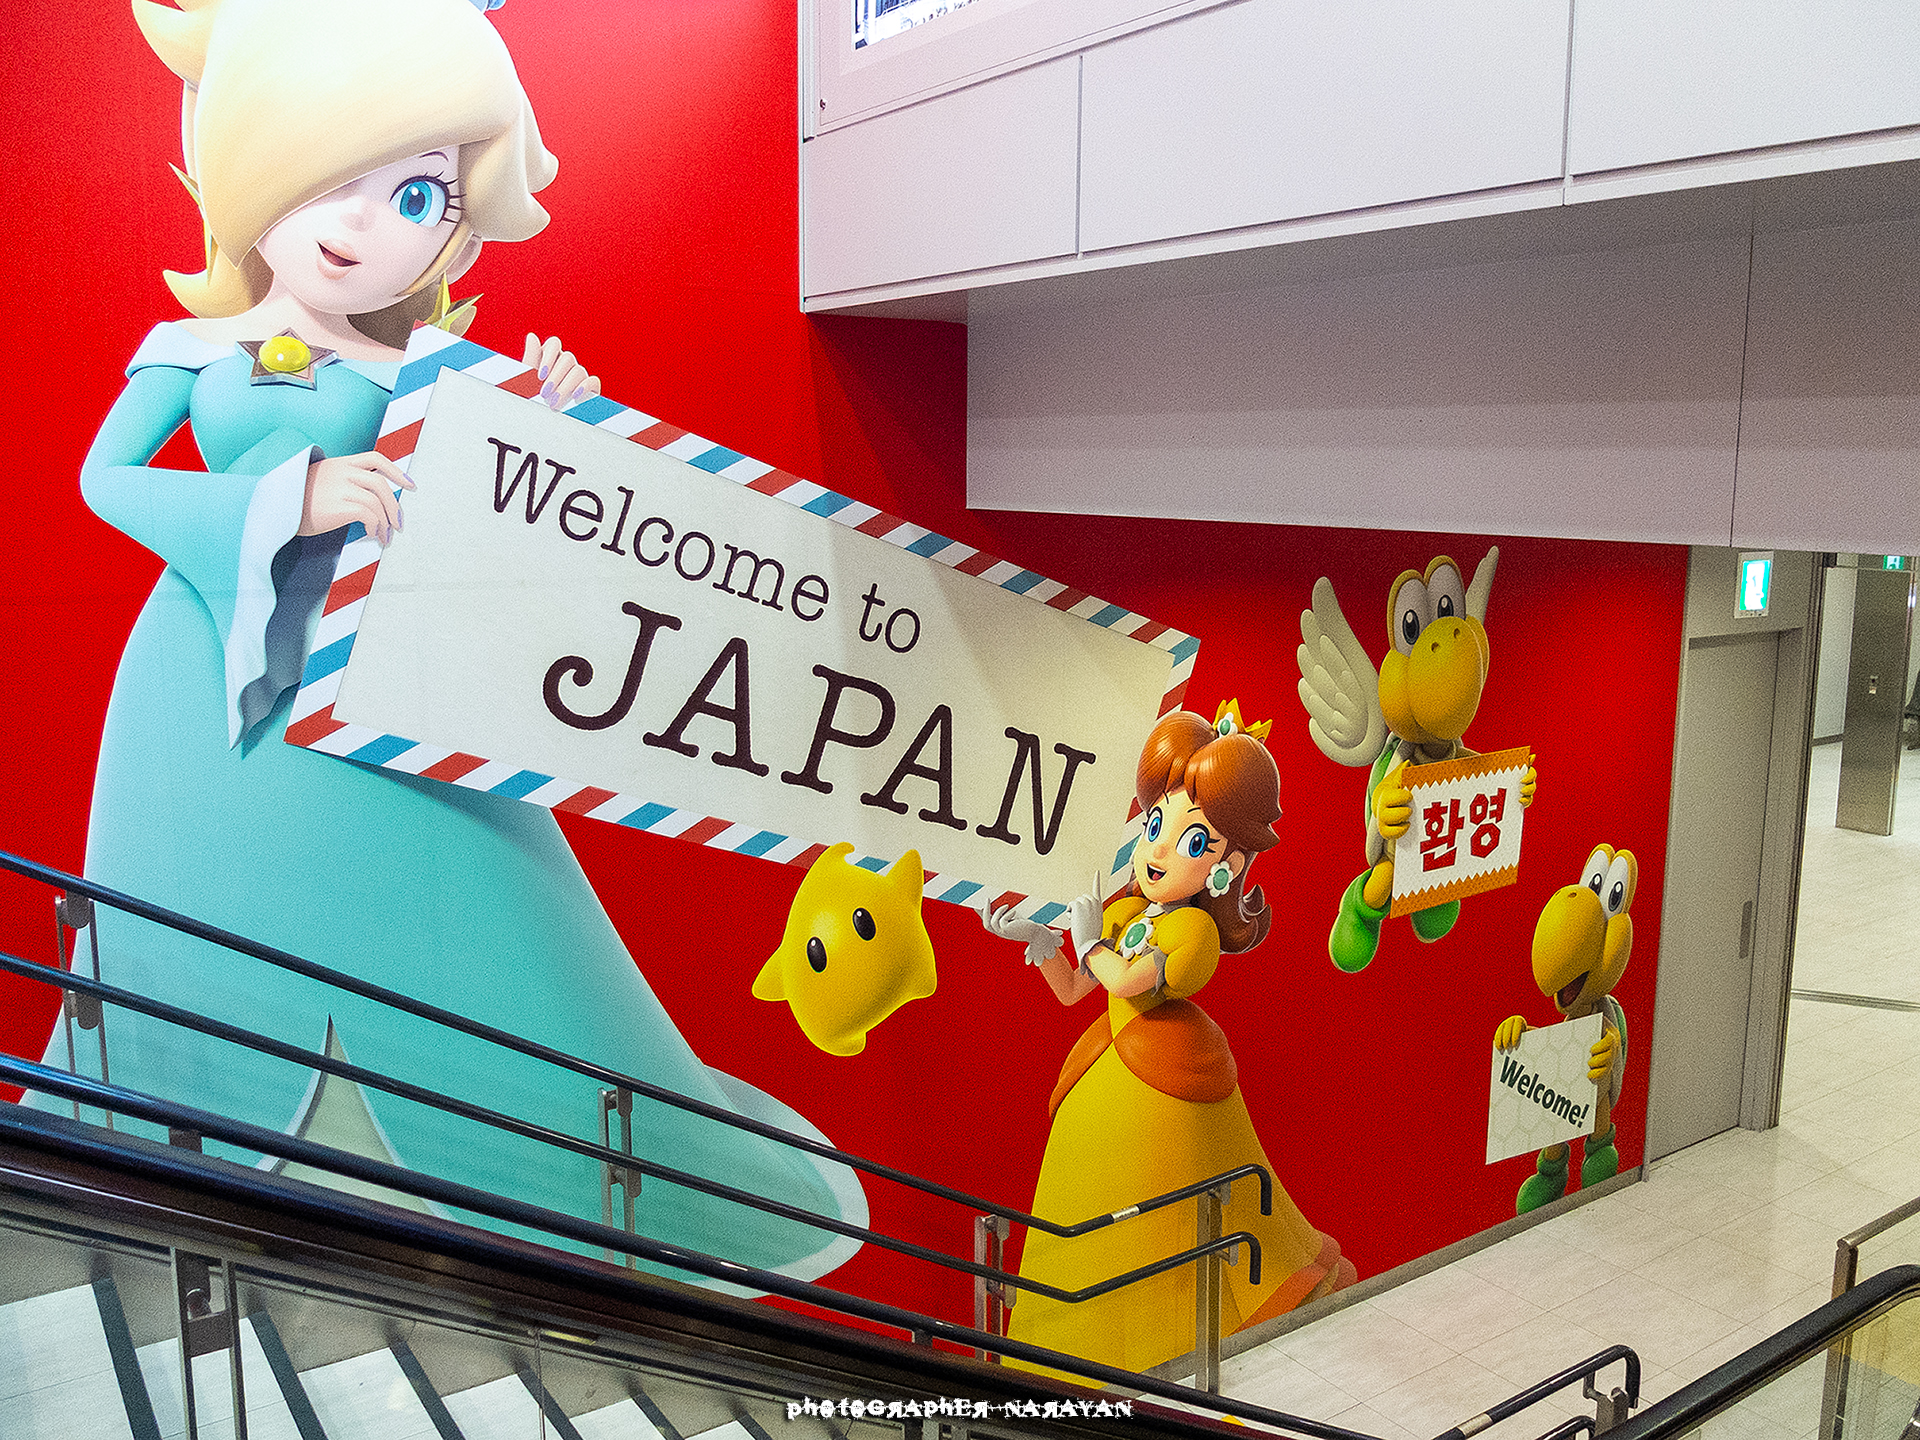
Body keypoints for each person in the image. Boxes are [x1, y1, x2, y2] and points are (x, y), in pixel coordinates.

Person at [39, 0, 860, 1284]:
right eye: (333, 174)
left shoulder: (422, 368)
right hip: (206, 691)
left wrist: (552, 422)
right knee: (192, 944)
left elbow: (498, 511)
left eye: (417, 194)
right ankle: (194, 1176)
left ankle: (502, 1188)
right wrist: (291, 495)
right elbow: (106, 482)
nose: (368, 226)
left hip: (382, 679)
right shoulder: (192, 350)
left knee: (484, 927)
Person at [984, 701, 1354, 1374]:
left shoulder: (1193, 932)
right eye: (1156, 824)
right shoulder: (1127, 910)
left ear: (1227, 864)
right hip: (1109, 1075)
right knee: (1092, 1242)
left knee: (1171, 1234)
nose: (1157, 848)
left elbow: (1127, 978)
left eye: (1191, 840)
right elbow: (1077, 990)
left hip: (1170, 1088)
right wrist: (1039, 939)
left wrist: (1090, 941)